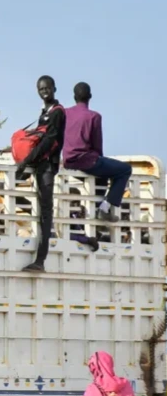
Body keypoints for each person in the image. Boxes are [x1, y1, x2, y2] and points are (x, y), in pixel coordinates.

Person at [63, 82, 132, 223]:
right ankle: (104, 208)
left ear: (74, 97)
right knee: (125, 170)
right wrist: (99, 159)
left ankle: (96, 210)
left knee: (103, 177)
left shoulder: (65, 113)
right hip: (86, 161)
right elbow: (97, 145)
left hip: (68, 160)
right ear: (90, 96)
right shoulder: (94, 116)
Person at [19, 75, 66, 272]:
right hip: (39, 165)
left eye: (47, 88)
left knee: (45, 212)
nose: (44, 91)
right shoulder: (44, 112)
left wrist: (27, 160)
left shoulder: (57, 113)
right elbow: (36, 139)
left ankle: (41, 259)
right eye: (41, 89)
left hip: (47, 166)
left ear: (54, 88)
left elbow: (48, 141)